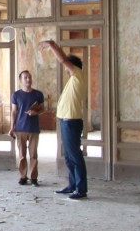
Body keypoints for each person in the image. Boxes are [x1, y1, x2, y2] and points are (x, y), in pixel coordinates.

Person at [41, 40, 88, 199]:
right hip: (66, 121)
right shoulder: (73, 80)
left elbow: (62, 59)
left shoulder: (78, 75)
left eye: (68, 67)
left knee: (75, 155)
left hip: (71, 121)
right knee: (68, 156)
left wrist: (51, 45)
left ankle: (81, 189)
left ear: (72, 67)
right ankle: (73, 185)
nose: (66, 69)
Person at [9, 69, 45, 186]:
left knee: (33, 155)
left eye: (29, 77)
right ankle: (23, 176)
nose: (28, 79)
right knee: (22, 155)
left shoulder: (38, 94)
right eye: (25, 78)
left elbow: (42, 109)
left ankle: (34, 178)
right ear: (21, 80)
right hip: (20, 129)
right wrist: (12, 127)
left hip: (34, 128)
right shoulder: (16, 95)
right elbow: (14, 111)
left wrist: (36, 112)